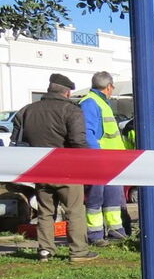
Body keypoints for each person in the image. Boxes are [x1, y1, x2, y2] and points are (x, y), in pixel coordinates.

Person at [11, 74, 98, 263]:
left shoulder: (26, 111)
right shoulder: (71, 111)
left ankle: (45, 250)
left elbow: (17, 141)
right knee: (74, 210)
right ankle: (78, 252)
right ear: (67, 92)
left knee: (45, 211)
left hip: (40, 169)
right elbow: (78, 142)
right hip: (67, 170)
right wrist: (88, 163)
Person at [79, 71, 127, 244]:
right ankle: (95, 235)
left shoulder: (98, 102)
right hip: (100, 161)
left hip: (110, 162)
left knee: (113, 200)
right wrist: (96, 159)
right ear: (109, 87)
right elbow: (88, 134)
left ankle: (116, 232)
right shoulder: (90, 103)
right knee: (95, 200)